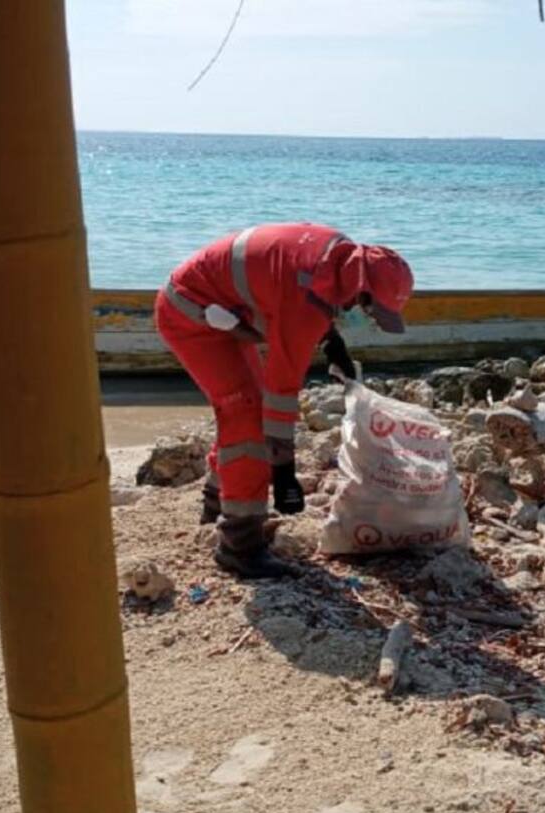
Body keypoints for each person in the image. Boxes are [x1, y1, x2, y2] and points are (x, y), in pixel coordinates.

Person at [155, 222, 414, 578]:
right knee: (247, 416)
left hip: (225, 311)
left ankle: (215, 507)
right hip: (189, 315)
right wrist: (284, 471)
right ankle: (239, 545)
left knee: (245, 414)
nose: (366, 315)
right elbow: (282, 391)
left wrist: (331, 340)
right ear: (358, 287)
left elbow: (303, 287)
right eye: (368, 307)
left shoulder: (340, 257)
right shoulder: (304, 305)